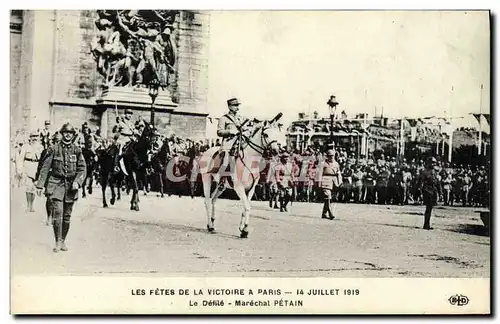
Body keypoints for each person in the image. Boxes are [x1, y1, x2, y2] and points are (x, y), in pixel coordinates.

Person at [36, 123, 87, 252]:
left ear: (73, 135)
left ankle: (63, 240)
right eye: (65, 132)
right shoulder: (54, 149)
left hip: (71, 187)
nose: (68, 135)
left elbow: (82, 169)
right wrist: (40, 185)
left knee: (67, 216)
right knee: (58, 212)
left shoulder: (77, 150)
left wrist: (78, 182)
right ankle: (57, 241)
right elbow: (45, 167)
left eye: (70, 133)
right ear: (62, 134)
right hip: (56, 184)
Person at [216, 98, 246, 179]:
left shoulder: (241, 118)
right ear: (229, 107)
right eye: (235, 105)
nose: (237, 107)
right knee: (226, 161)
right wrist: (230, 131)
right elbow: (219, 132)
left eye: (237, 105)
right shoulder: (224, 118)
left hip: (239, 143)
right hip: (228, 144)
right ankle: (220, 179)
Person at [15, 133, 43, 212]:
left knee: (34, 188)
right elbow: (21, 159)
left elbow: (42, 159)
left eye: (36, 136)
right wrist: (20, 170)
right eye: (33, 136)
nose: (34, 138)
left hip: (36, 167)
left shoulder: (40, 147)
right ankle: (28, 205)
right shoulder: (25, 147)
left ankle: (32, 206)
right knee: (28, 187)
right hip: (27, 167)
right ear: (30, 137)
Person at [418, 157, 440, 230]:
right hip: (427, 191)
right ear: (429, 163)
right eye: (432, 163)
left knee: (430, 208)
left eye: (434, 163)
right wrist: (421, 193)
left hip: (433, 191)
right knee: (428, 208)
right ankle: (426, 225)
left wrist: (440, 192)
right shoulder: (424, 172)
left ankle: (427, 224)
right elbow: (421, 183)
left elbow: (437, 183)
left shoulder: (435, 172)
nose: (434, 164)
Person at [319, 149, 342, 219]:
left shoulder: (336, 164)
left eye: (332, 156)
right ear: (327, 156)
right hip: (325, 180)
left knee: (329, 199)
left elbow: (339, 173)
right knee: (327, 196)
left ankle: (324, 213)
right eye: (329, 156)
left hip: (334, 181)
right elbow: (319, 174)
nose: (331, 157)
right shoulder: (323, 163)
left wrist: (340, 181)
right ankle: (330, 213)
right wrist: (319, 183)